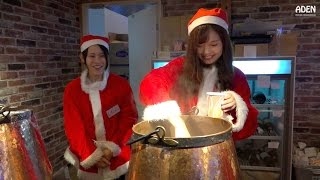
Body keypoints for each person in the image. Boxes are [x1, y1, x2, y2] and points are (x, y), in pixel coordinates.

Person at [139, 8, 258, 140]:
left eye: (213, 45)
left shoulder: (236, 76)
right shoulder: (179, 67)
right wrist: (167, 108)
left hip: (218, 149)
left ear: (224, 44)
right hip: (181, 145)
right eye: (199, 45)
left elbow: (248, 127)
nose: (206, 52)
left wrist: (236, 106)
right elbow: (150, 82)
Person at [63, 35, 138, 179]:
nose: (97, 61)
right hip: (87, 157)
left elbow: (129, 119)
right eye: (92, 56)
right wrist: (92, 155)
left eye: (101, 56)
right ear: (82, 58)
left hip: (117, 156)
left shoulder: (121, 85)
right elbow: (73, 127)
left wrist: (112, 148)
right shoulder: (72, 90)